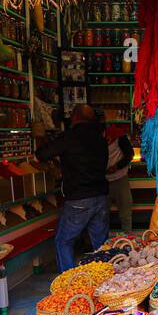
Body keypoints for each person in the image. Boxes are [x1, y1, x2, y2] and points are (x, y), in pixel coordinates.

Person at [36, 104, 109, 271]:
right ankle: (106, 277)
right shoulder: (100, 138)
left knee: (63, 241)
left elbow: (42, 154)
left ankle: (68, 280)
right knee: (101, 244)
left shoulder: (69, 136)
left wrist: (40, 137)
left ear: (74, 117)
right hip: (101, 196)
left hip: (79, 198)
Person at [105, 124, 136, 234]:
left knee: (125, 214)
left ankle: (128, 239)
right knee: (101, 216)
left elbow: (130, 154)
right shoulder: (93, 136)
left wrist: (117, 166)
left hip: (120, 178)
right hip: (102, 181)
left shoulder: (118, 135)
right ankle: (102, 241)